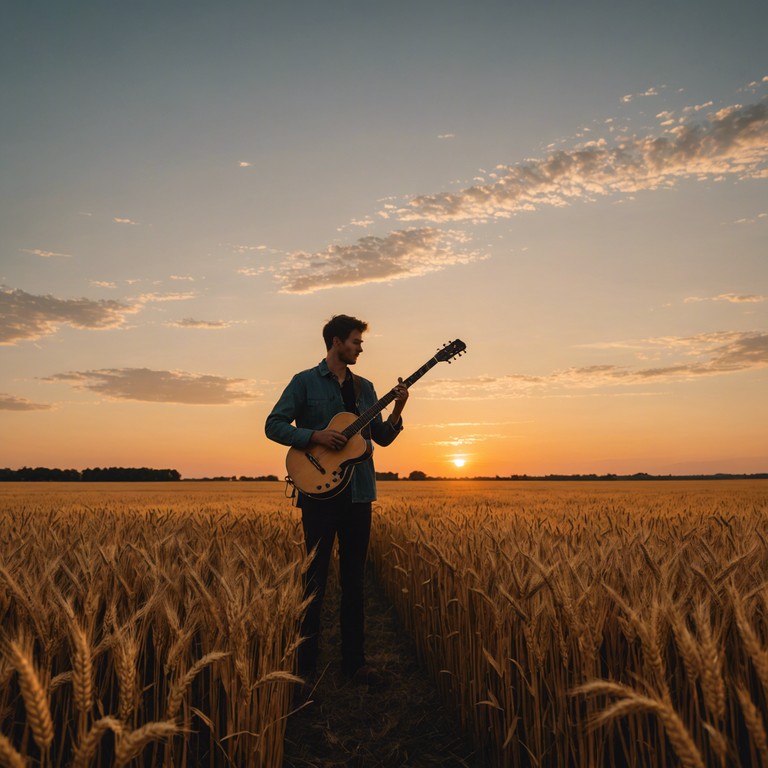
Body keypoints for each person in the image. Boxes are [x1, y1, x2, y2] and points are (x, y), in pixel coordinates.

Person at [265, 314, 408, 684]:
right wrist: (315, 437)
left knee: (354, 581)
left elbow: (383, 437)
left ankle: (355, 663)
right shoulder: (305, 382)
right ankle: (306, 665)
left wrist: (398, 409)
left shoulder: (366, 388)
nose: (361, 347)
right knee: (314, 579)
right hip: (318, 494)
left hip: (359, 494)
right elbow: (273, 425)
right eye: (356, 341)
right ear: (335, 342)